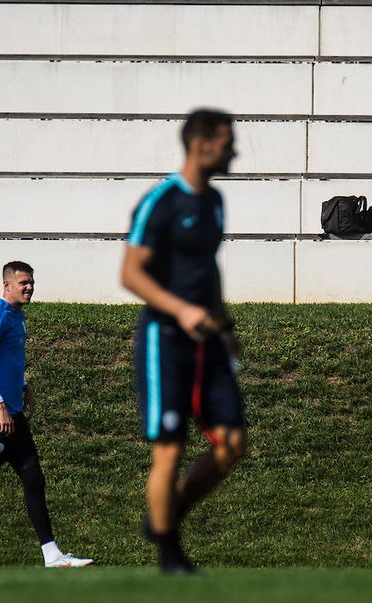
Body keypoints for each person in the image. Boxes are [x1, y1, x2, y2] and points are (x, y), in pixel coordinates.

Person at [120, 109, 245, 574]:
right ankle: (169, 554)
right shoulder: (161, 202)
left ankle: (166, 515)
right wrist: (181, 310)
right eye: (228, 141)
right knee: (169, 448)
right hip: (165, 341)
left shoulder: (214, 201)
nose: (235, 150)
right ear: (201, 144)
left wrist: (224, 324)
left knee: (232, 443)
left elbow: (208, 268)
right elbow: (130, 273)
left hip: (208, 340)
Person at [0, 261, 93, 568]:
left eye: (31, 282)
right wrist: (0, 405)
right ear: (7, 286)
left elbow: (9, 361)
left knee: (34, 478)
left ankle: (52, 555)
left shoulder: (18, 317)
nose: (29, 287)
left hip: (14, 416)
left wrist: (24, 385)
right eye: (23, 283)